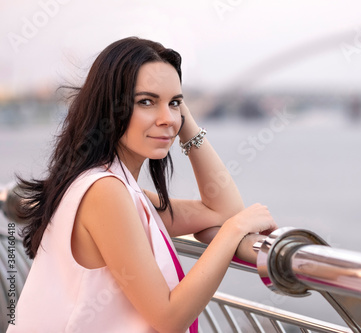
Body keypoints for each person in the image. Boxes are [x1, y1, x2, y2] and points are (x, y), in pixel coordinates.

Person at [8, 37, 277, 333]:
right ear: (109, 108)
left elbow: (222, 209)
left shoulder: (117, 188)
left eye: (175, 103)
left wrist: (183, 123)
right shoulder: (104, 192)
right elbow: (168, 318)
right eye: (146, 101)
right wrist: (233, 232)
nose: (167, 119)